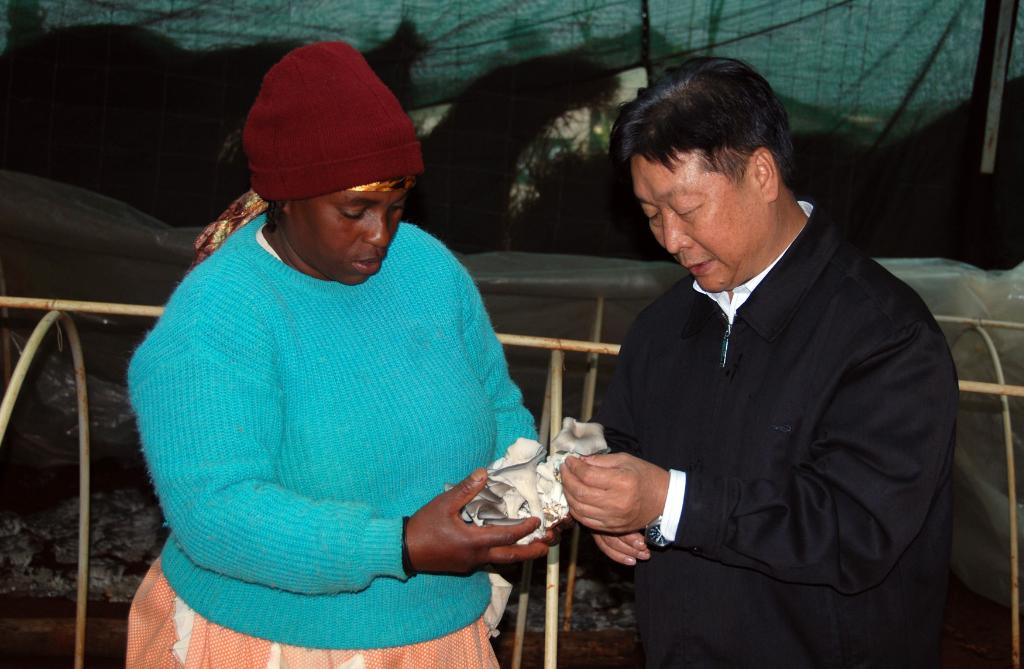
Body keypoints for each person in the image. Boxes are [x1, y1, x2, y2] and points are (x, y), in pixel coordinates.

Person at [125, 41, 551, 669]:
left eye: (396, 207)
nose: (380, 234)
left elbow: (496, 400)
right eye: (355, 211)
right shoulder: (221, 314)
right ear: (285, 198)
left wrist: (526, 489)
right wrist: (399, 545)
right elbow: (214, 510)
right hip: (275, 642)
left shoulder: (427, 269)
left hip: (437, 630)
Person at [560, 57, 958, 667]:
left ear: (762, 173)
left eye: (687, 208)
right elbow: (627, 443)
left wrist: (668, 502)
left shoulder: (885, 335)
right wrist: (610, 509)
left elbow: (856, 529)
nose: (670, 239)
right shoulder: (663, 328)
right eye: (651, 215)